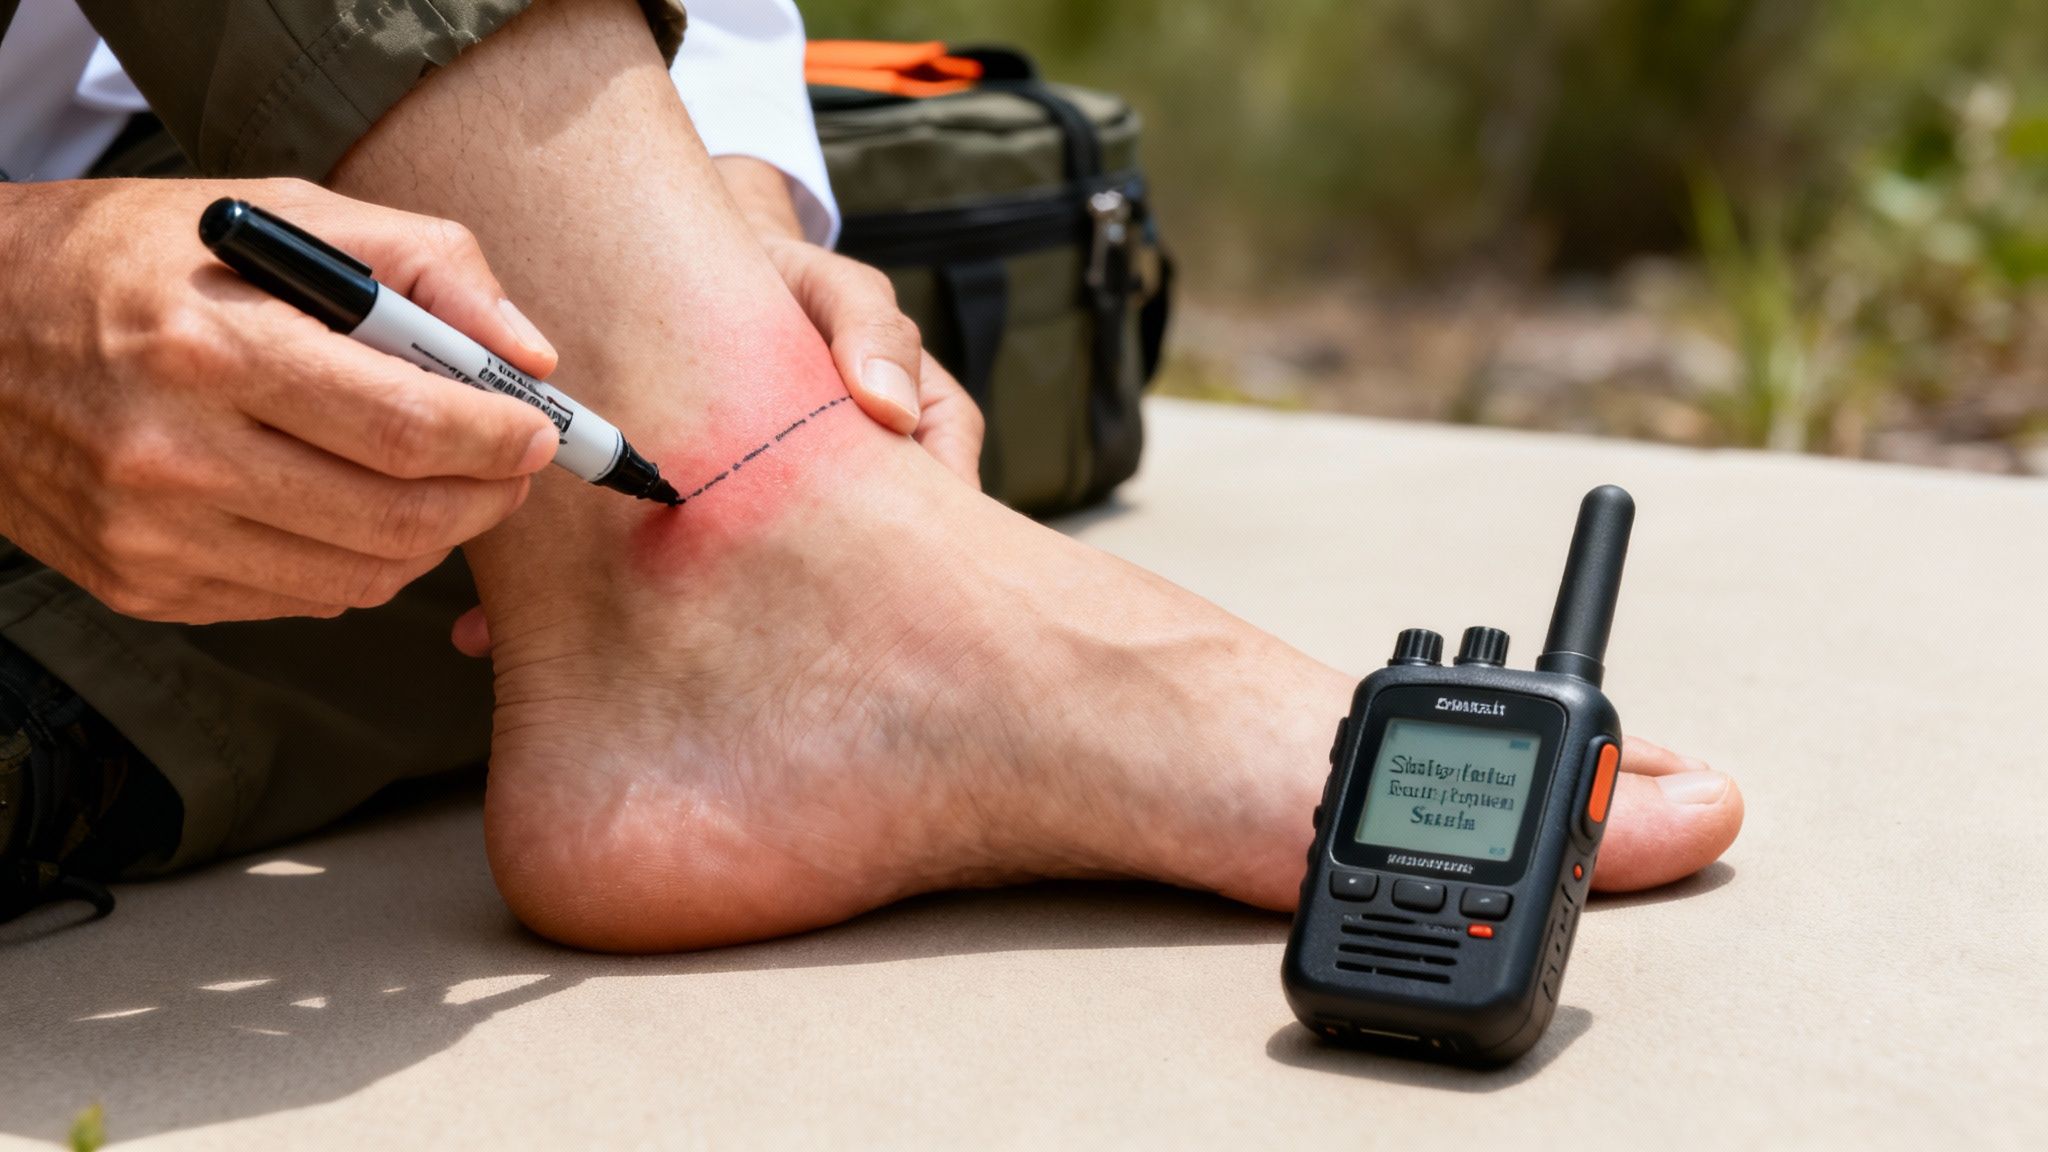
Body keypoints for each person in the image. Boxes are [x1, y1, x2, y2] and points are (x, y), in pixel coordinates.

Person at [0, 0, 1745, 948]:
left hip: (188, 150)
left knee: (425, 427)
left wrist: (724, 194)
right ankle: (787, 605)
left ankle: (787, 564)